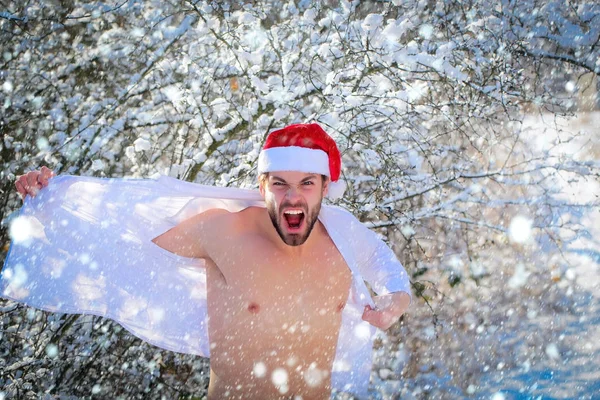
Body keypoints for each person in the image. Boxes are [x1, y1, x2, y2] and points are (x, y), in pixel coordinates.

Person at [7, 123, 411, 399]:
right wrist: (50, 203)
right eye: (280, 183)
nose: (293, 198)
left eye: (307, 184)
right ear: (262, 185)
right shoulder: (224, 232)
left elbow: (383, 263)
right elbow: (119, 243)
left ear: (326, 186)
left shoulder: (342, 234)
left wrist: (395, 302)